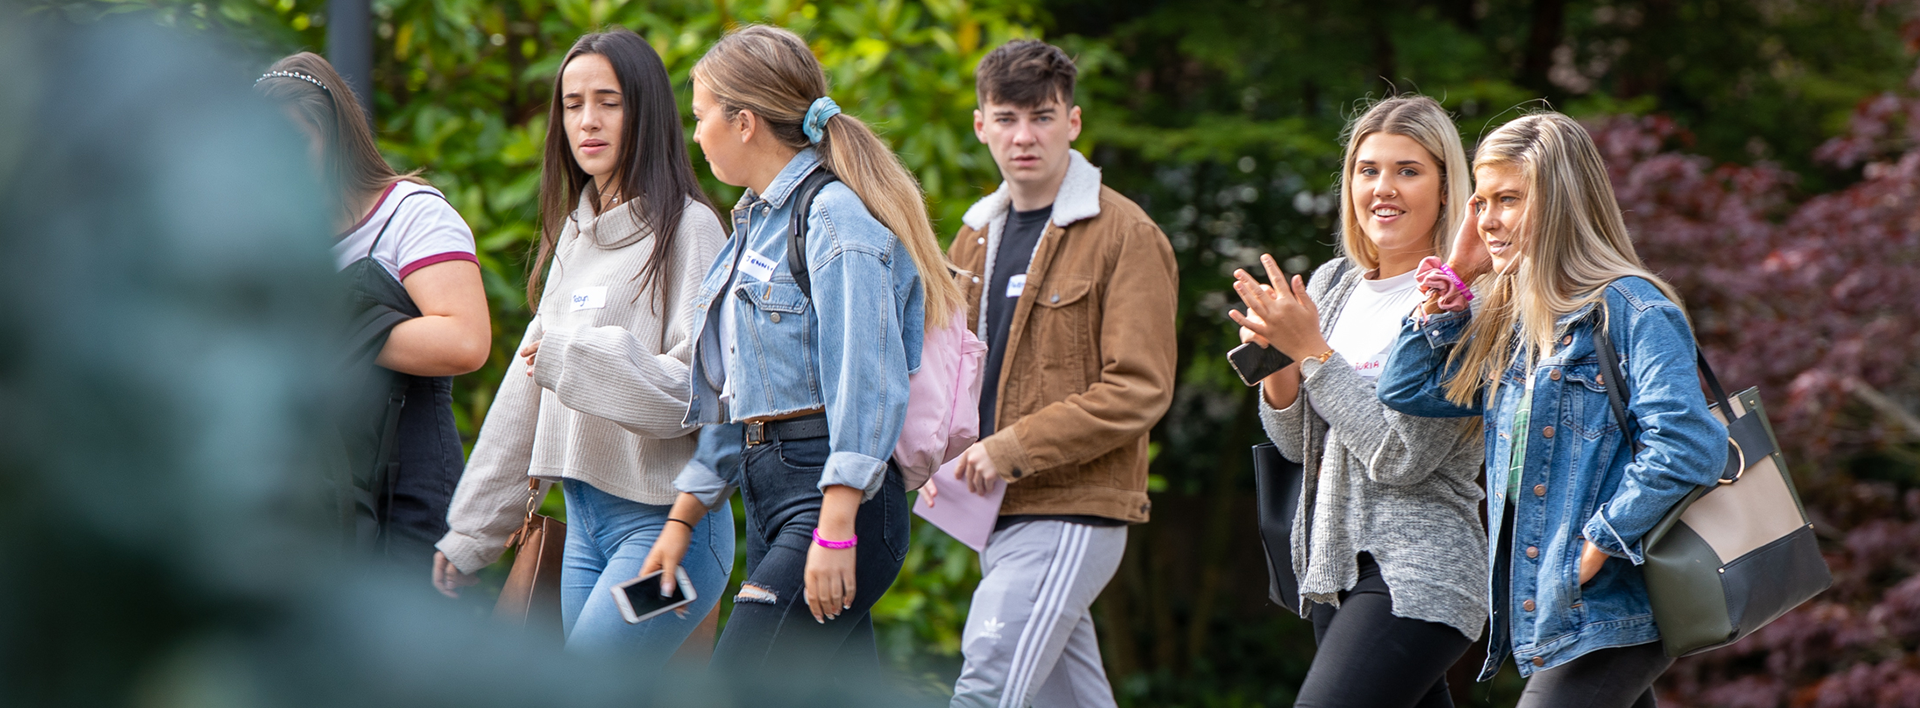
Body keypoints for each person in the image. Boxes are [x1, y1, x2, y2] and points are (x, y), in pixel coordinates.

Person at [636, 24, 966, 674]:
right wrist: (680, 521)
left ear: (746, 122)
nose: (695, 134)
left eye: (701, 116)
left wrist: (837, 525)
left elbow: (866, 383)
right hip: (771, 495)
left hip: (834, 502)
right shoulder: (753, 227)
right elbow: (742, 397)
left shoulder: (836, 222)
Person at [1376, 112, 1729, 708]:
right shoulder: (1515, 326)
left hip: (1617, 603)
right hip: (1565, 602)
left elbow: (1689, 444)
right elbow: (1405, 388)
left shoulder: (1633, 310)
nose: (1487, 220)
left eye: (1508, 199)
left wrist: (1596, 545)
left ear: (1562, 203)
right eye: (1481, 202)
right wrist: (1457, 277)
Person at [427, 30, 732, 661]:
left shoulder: (691, 230)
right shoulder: (575, 234)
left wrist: (577, 358)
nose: (586, 121)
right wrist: (471, 533)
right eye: (571, 103)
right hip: (587, 527)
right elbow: (523, 395)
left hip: (674, 538)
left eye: (608, 101)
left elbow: (698, 394)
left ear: (644, 110)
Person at [940, 40, 1179, 708]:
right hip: (996, 511)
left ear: (1072, 123)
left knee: (986, 685)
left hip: (1073, 508)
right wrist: (933, 459)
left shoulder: (1126, 234)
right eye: (1007, 118)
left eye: (1042, 117)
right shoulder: (973, 236)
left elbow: (1139, 389)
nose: (1024, 136)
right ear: (981, 124)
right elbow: (953, 375)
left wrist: (1008, 448)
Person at [1228, 96, 1486, 708]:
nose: (1383, 189)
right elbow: (1300, 447)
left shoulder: (1463, 302)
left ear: (1447, 189)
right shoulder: (1332, 285)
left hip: (1419, 572)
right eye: (1367, 170)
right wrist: (1280, 366)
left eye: (1408, 170)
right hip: (1332, 569)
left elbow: (1402, 458)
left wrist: (1314, 354)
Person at [257, 52, 490, 567]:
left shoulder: (410, 214)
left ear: (336, 137)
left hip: (406, 488)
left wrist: (336, 325)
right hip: (309, 499)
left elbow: (466, 341)